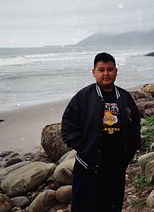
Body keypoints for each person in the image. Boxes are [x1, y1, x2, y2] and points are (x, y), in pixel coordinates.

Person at [61, 52, 141, 212]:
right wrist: (84, 147)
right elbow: (68, 126)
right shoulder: (82, 97)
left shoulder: (125, 97)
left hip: (116, 167)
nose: (106, 74)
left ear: (116, 71)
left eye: (110, 69)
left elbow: (135, 126)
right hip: (87, 167)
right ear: (94, 72)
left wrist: (129, 152)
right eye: (101, 70)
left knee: (112, 205)